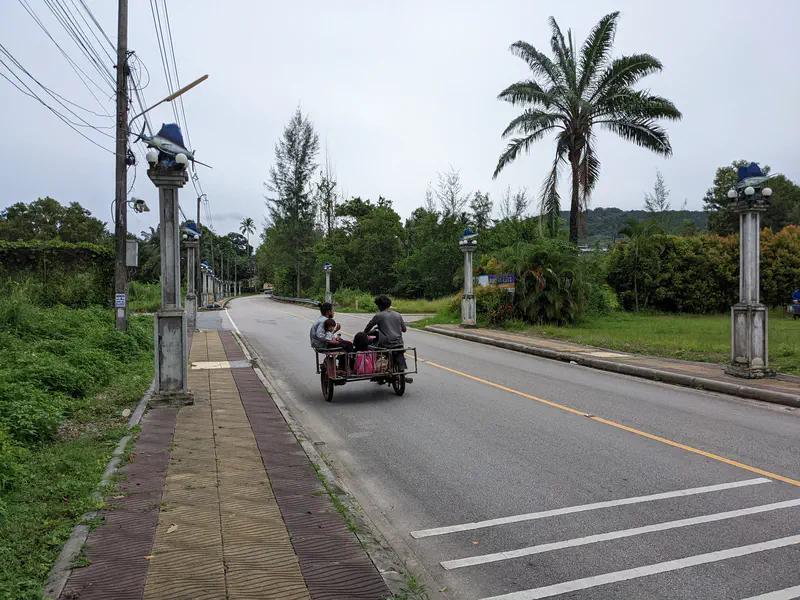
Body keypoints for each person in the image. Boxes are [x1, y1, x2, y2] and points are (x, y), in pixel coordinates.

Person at [364, 295, 412, 382]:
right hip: (399, 343)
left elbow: (369, 326)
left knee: (374, 349)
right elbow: (404, 329)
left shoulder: (378, 316)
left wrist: (364, 334)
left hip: (385, 344)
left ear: (379, 306)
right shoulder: (398, 315)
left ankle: (378, 370)